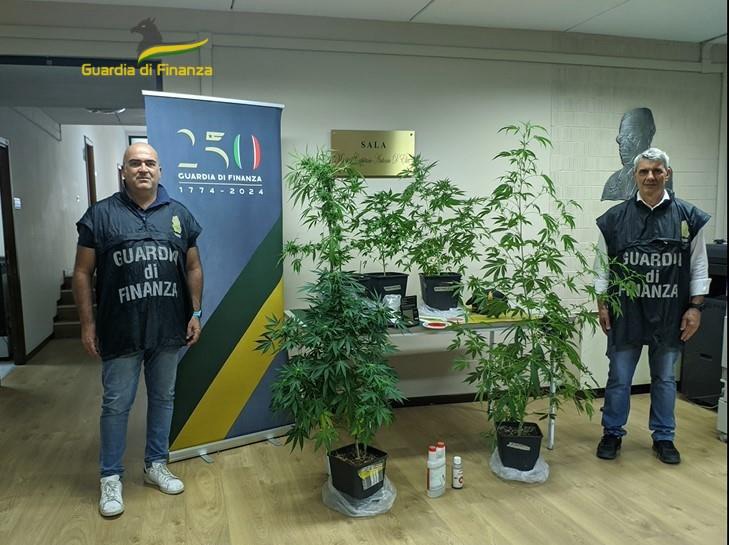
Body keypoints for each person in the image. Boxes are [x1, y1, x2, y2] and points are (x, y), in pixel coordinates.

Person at [72, 142, 203, 517]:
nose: (143, 168)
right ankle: (110, 476)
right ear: (123, 171)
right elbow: (82, 272)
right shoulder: (100, 215)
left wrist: (195, 311)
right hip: (120, 328)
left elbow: (193, 266)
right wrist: (87, 323)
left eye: (149, 163)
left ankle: (156, 464)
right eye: (135, 163)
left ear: (160, 171)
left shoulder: (179, 214)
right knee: (116, 404)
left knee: (163, 398)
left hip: (168, 327)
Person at [594, 147, 710, 465]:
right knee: (619, 377)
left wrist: (696, 308)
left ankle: (664, 437)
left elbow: (699, 266)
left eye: (657, 170)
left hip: (671, 312)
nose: (650, 176)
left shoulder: (688, 217)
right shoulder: (614, 219)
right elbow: (601, 265)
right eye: (644, 171)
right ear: (635, 175)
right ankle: (612, 432)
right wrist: (602, 304)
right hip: (626, 311)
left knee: (665, 379)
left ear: (667, 174)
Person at [601, 108, 673, 201]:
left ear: (648, 137)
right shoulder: (613, 182)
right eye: (622, 139)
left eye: (632, 138)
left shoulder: (662, 174)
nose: (624, 145)